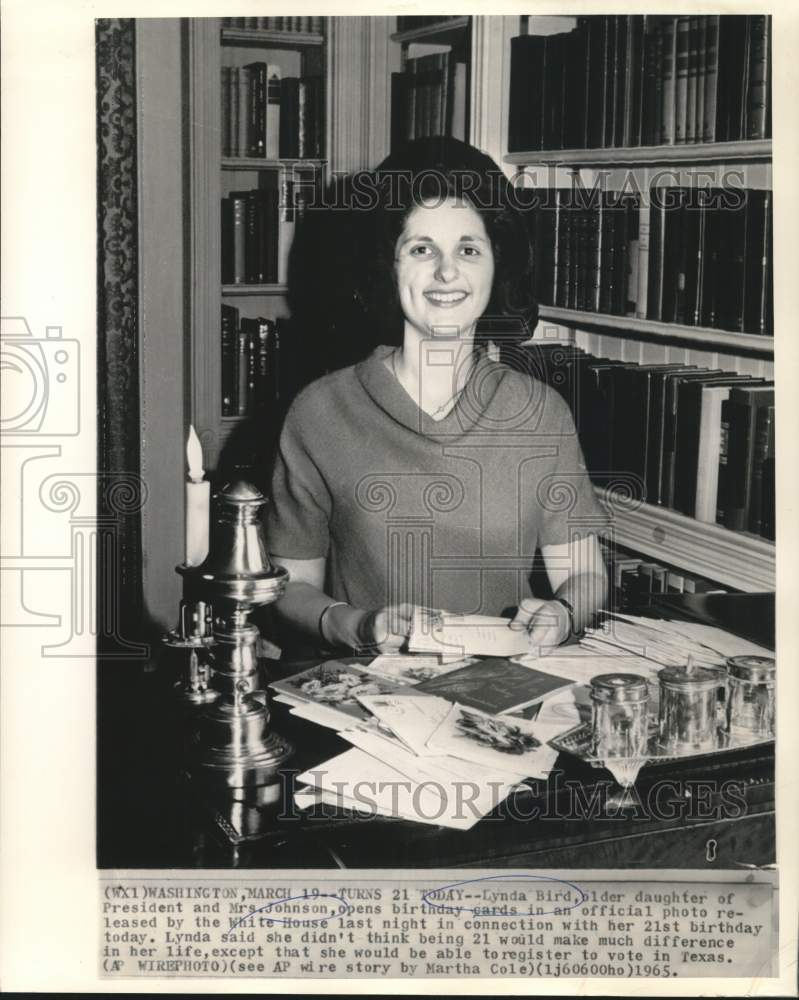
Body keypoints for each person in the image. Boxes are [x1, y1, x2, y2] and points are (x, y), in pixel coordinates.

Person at [265, 138, 608, 658]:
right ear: (388, 265)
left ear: (496, 266)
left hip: (504, 698)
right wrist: (358, 625)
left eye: (469, 249)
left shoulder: (541, 414)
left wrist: (562, 613)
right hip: (365, 702)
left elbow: (583, 573)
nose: (447, 272)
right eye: (421, 249)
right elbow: (288, 584)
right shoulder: (319, 413)